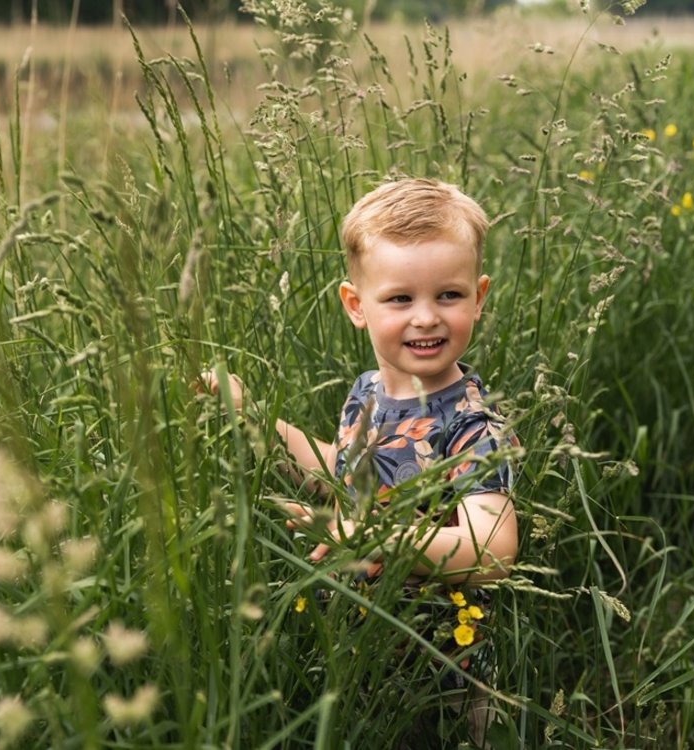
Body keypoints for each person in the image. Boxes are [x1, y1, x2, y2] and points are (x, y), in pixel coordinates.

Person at [196, 178, 519, 746]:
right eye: (400, 299)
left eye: (448, 295)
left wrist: (367, 532)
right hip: (361, 653)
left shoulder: (471, 421)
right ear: (356, 306)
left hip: (442, 666)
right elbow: (341, 469)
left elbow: (491, 550)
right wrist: (258, 422)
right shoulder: (368, 392)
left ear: (479, 297)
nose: (426, 318)